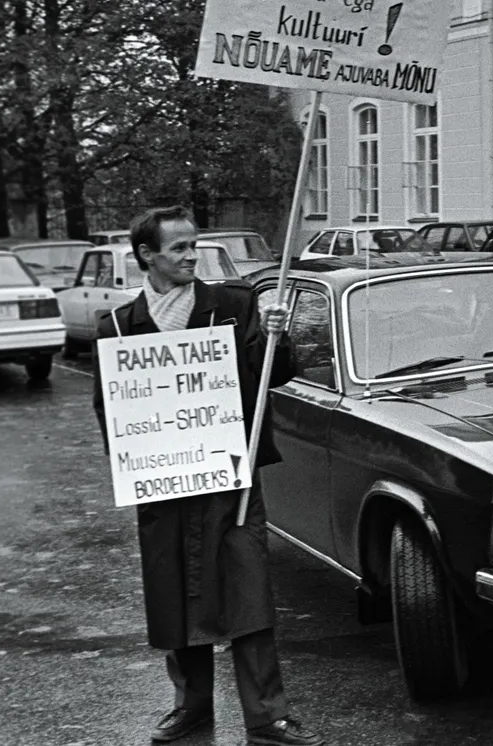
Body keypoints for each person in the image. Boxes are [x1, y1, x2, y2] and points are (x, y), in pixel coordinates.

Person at [91, 207, 322, 746]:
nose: (192, 256)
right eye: (179, 249)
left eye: (195, 246)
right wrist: (138, 466)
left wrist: (276, 337)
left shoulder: (235, 308)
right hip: (167, 485)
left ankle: (269, 716)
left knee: (248, 592)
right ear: (147, 256)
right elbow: (112, 409)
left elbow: (273, 374)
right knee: (175, 594)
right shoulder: (120, 327)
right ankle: (191, 708)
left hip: (230, 479)